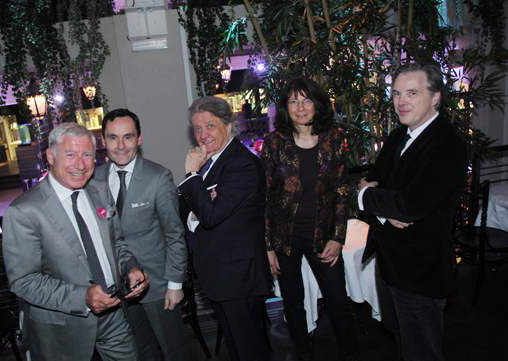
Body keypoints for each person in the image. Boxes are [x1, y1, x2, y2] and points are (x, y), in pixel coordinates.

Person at [3, 122, 148, 361]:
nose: (80, 165)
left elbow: (116, 243)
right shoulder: (24, 211)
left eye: (87, 155)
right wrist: (82, 297)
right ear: (50, 156)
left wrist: (130, 267)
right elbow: (24, 281)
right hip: (62, 327)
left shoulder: (100, 191)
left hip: (114, 313)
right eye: (70, 154)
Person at [358, 63, 468, 361]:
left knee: (422, 351)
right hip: (389, 264)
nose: (401, 101)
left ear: (435, 98)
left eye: (412, 93)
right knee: (398, 339)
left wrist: (370, 196)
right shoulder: (398, 136)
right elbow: (371, 179)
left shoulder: (449, 145)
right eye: (395, 93)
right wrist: (383, 207)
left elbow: (410, 206)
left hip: (421, 272)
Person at [261, 77, 359, 361]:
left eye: (306, 100)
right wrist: (268, 246)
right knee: (292, 303)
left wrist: (338, 237)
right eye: (293, 101)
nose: (300, 107)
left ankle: (350, 354)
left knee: (338, 301)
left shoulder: (334, 138)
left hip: (324, 236)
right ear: (285, 107)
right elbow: (264, 197)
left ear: (317, 104)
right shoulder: (274, 142)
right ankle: (304, 351)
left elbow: (343, 190)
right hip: (285, 239)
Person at [179, 96, 272, 361]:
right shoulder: (209, 162)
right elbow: (185, 209)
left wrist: (192, 177)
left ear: (228, 126)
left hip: (238, 277)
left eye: (210, 126)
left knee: (250, 350)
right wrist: (200, 206)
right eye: (197, 128)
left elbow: (209, 215)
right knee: (236, 348)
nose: (202, 134)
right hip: (220, 275)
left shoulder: (240, 164)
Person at [94, 109, 189, 361]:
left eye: (128, 137)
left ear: (139, 138)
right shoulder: (95, 179)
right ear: (104, 140)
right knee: (140, 354)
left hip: (158, 288)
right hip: (117, 290)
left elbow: (174, 233)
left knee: (174, 352)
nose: (121, 145)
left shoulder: (158, 177)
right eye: (113, 138)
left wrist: (175, 284)